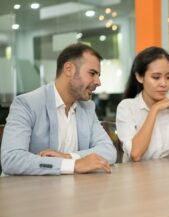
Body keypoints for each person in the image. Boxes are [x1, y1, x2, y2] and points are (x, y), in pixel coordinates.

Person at [1, 43, 117, 175]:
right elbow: (11, 159)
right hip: (27, 192)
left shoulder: (87, 107)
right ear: (69, 69)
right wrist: (72, 165)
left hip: (70, 190)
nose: (98, 82)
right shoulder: (26, 104)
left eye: (98, 75)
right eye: (92, 73)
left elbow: (109, 151)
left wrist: (68, 157)